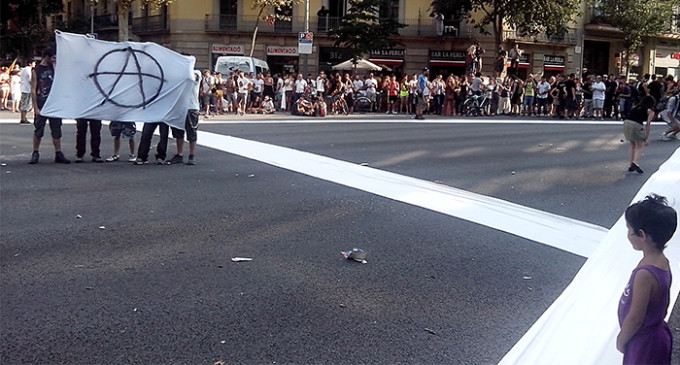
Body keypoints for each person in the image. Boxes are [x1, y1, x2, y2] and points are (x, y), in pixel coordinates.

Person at [617, 194, 677, 365]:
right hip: (655, 338)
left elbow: (636, 317)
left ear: (642, 235)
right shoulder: (661, 261)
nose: (628, 235)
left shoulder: (645, 274)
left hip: (644, 343)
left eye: (629, 230)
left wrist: (622, 340)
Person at [29, 48, 70, 164]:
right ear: (46, 57)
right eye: (53, 57)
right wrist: (35, 107)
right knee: (38, 129)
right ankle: (35, 152)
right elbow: (33, 89)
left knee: (56, 129)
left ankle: (58, 153)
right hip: (42, 102)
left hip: (54, 103)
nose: (55, 59)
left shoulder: (55, 68)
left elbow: (60, 80)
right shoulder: (36, 70)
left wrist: (55, 65)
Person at [167, 70, 202, 165]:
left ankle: (192, 155)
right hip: (179, 107)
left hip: (191, 107)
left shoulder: (196, 72)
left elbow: (194, 77)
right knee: (178, 132)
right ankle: (179, 154)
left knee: (192, 132)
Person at [623, 95, 655, 174]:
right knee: (640, 145)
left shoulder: (635, 107)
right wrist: (646, 137)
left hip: (626, 123)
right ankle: (635, 162)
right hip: (636, 125)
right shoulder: (650, 111)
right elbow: (648, 124)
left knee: (632, 144)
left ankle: (631, 163)